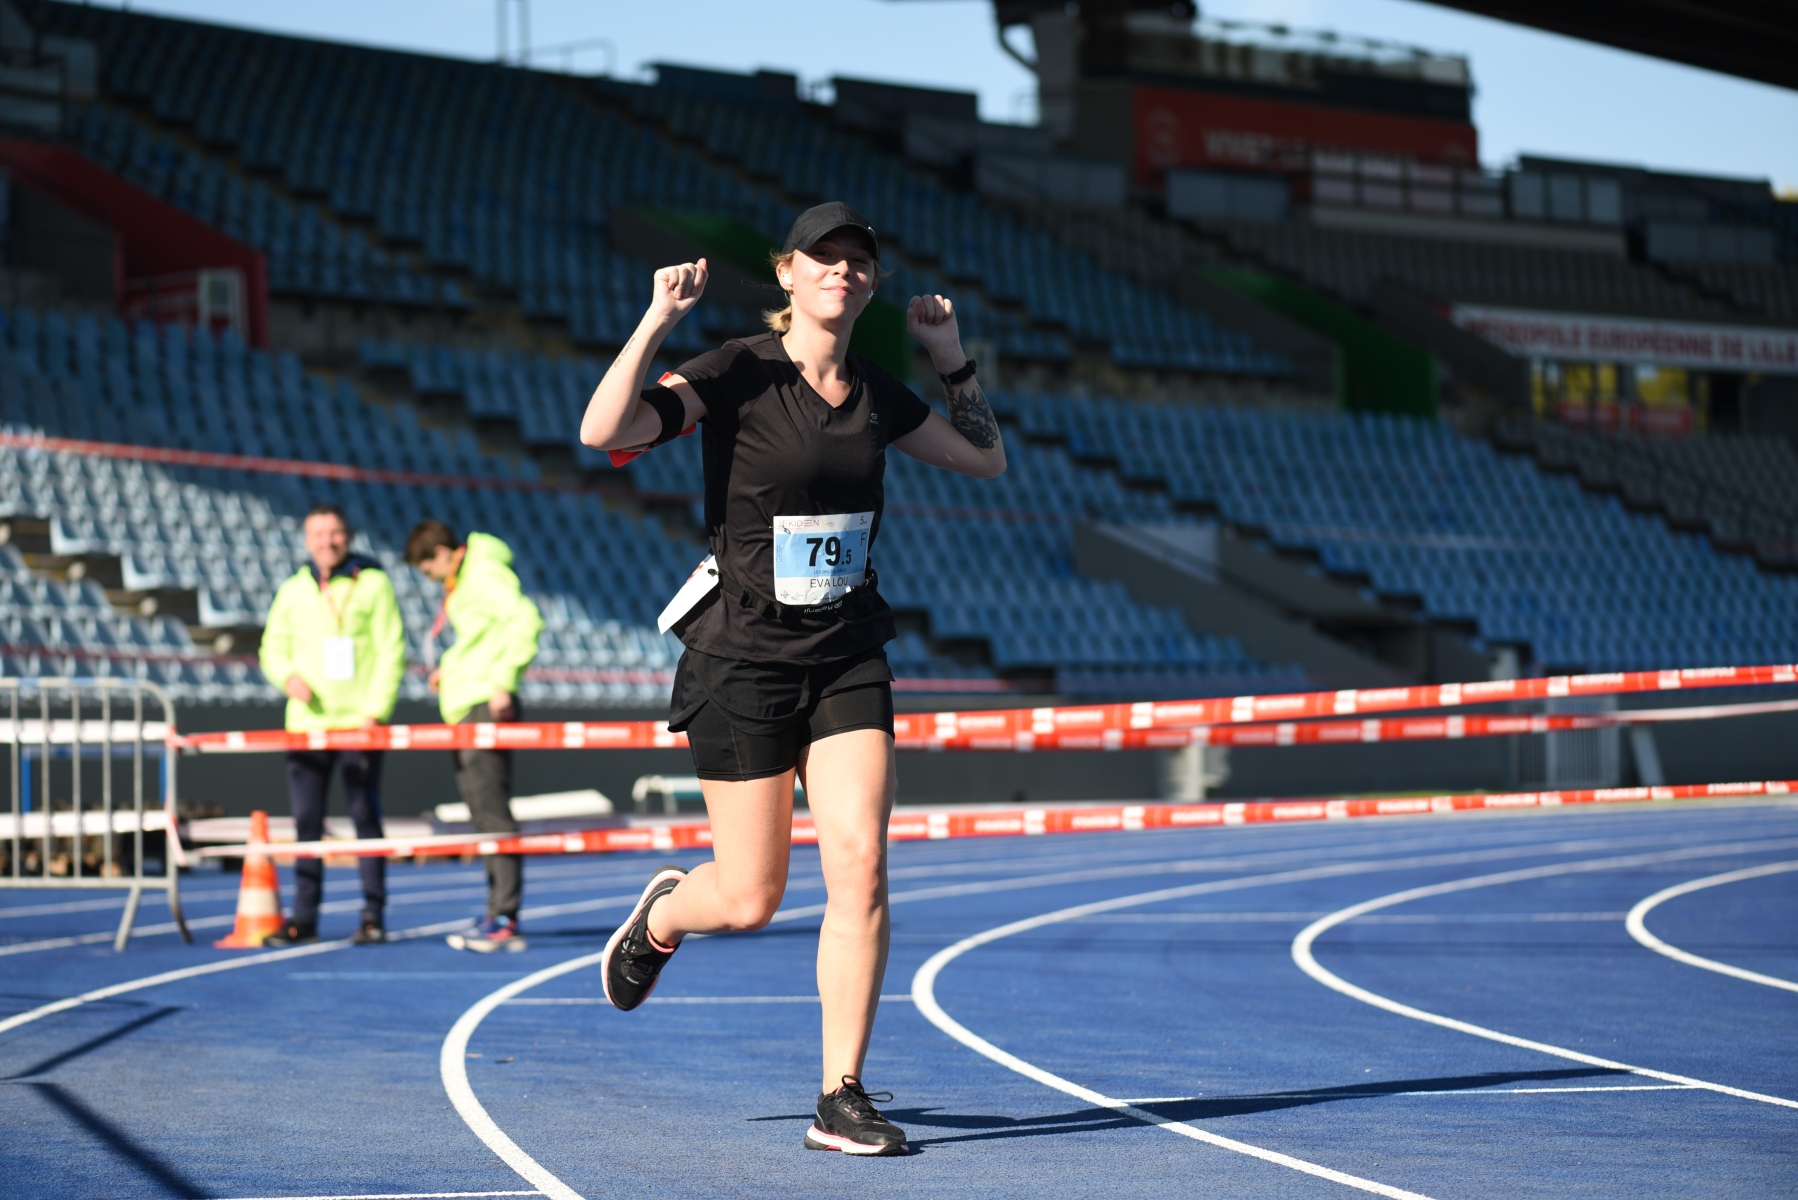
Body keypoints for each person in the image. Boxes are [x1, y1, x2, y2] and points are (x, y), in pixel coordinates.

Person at [580, 201, 1005, 1155]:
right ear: (787, 272)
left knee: (861, 866)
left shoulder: (876, 391)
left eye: (859, 260)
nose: (842, 270)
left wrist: (949, 355)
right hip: (742, 659)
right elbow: (603, 428)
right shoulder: (737, 370)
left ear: (872, 284)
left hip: (847, 651)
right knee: (749, 898)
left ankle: (839, 1095)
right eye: (824, 257)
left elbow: (986, 459)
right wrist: (657, 320)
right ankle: (662, 917)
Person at [258, 503, 406, 946]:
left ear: (349, 536)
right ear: (307, 541)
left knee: (365, 817)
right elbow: (271, 648)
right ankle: (303, 918)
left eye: (335, 533)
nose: (328, 542)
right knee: (307, 822)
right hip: (307, 725)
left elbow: (391, 649)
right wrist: (288, 677)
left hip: (360, 723)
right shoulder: (293, 590)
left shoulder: (374, 583)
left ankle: (372, 915)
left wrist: (375, 711)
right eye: (319, 535)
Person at [405, 519, 543, 953]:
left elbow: (525, 618)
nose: (429, 577)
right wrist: (450, 672)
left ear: (442, 553)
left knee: (492, 813)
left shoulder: (482, 572)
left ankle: (505, 918)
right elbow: (482, 638)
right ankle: (496, 911)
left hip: (485, 703)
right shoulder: (468, 578)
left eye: (427, 567)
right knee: (484, 815)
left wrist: (503, 681)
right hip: (468, 704)